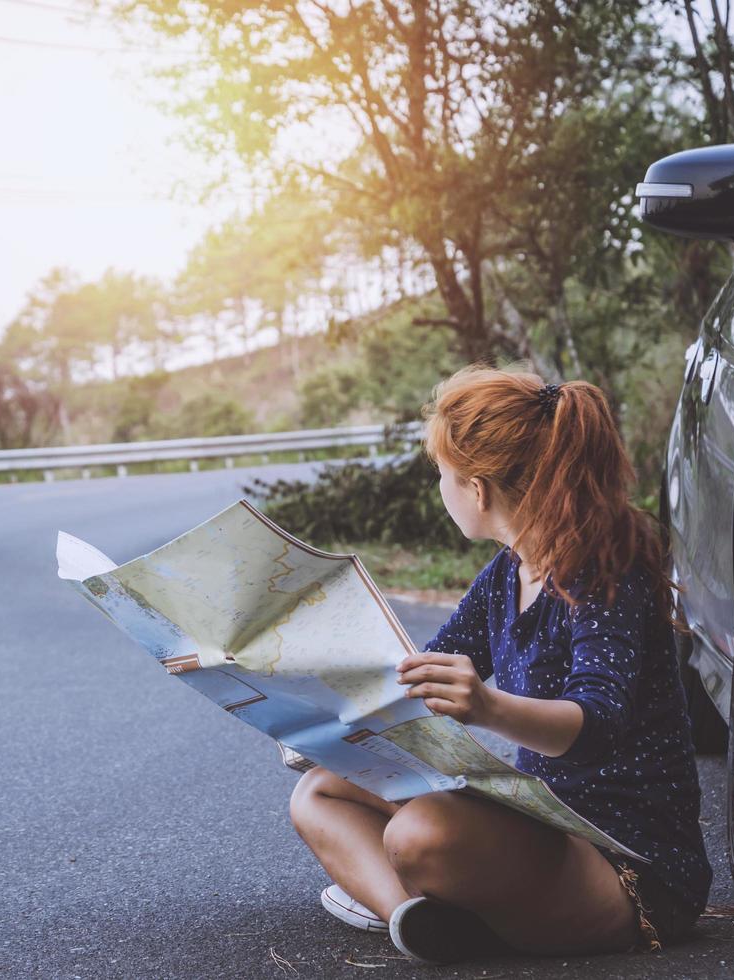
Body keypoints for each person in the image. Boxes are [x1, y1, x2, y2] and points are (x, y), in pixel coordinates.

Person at [288, 363, 711, 963]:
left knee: (419, 834)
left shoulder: (605, 571)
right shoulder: (507, 573)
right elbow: (422, 674)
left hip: (625, 866)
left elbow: (597, 724)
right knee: (319, 791)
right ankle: (412, 918)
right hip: (544, 823)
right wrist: (313, 707)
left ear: (478, 489)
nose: (441, 488)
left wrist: (486, 706)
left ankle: (439, 905)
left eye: (442, 474)